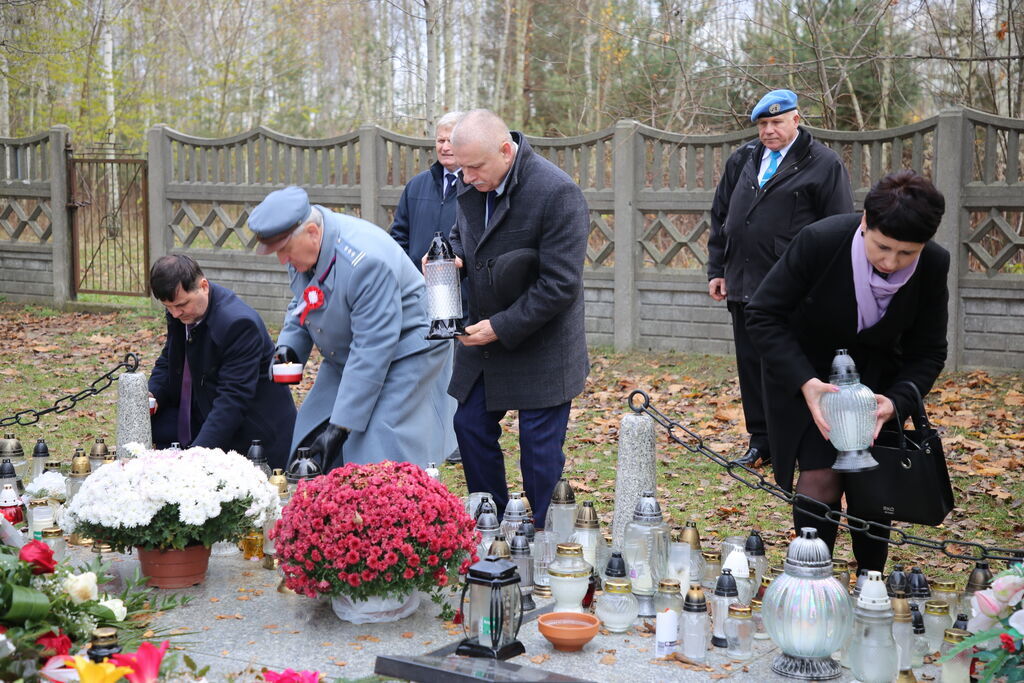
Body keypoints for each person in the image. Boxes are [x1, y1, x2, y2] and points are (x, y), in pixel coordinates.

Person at [745, 170, 948, 571]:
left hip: (878, 387)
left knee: (871, 484)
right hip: (809, 376)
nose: (891, 262)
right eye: (882, 247)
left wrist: (896, 401)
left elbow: (928, 351)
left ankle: (871, 579)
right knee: (820, 476)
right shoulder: (820, 241)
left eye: (906, 253)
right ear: (865, 222)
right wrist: (805, 382)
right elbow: (763, 314)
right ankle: (811, 576)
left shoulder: (934, 264)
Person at [445, 109, 589, 529]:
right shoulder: (474, 179)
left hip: (542, 342)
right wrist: (452, 259)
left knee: (539, 452)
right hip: (484, 340)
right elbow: (463, 236)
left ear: (506, 151)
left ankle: (546, 540)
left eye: (474, 167)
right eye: (462, 167)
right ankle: (492, 524)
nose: (466, 177)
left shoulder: (557, 193)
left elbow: (560, 285)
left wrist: (500, 328)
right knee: (469, 425)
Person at [248, 185, 451, 471]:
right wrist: (289, 345)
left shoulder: (366, 262)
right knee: (313, 432)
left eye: (283, 250)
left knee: (378, 443)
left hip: (406, 350)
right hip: (349, 351)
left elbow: (372, 350)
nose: (282, 260)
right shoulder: (303, 247)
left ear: (312, 232)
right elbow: (304, 299)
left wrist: (340, 428)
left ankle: (389, 496)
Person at [707, 89, 854, 468]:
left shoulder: (823, 163)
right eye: (762, 124)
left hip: (792, 289)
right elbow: (721, 216)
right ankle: (762, 442)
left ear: (796, 120)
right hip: (743, 282)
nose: (768, 131)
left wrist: (827, 286)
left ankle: (800, 439)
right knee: (750, 366)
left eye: (776, 122)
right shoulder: (743, 159)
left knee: (790, 365)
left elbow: (839, 227)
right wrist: (718, 269)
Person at [148, 254, 297, 468]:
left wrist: (196, 456)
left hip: (254, 438)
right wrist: (152, 394)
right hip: (206, 415)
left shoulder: (239, 324)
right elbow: (171, 357)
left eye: (181, 305)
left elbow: (232, 399)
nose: (175, 313)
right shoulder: (182, 311)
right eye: (168, 307)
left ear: (203, 286)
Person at [390, 111, 464, 464]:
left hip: (461, 294)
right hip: (419, 294)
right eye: (440, 140)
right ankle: (425, 434)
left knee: (457, 368)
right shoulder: (417, 186)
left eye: (451, 140)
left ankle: (456, 439)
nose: (445, 146)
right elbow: (398, 236)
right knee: (423, 366)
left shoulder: (476, 185)